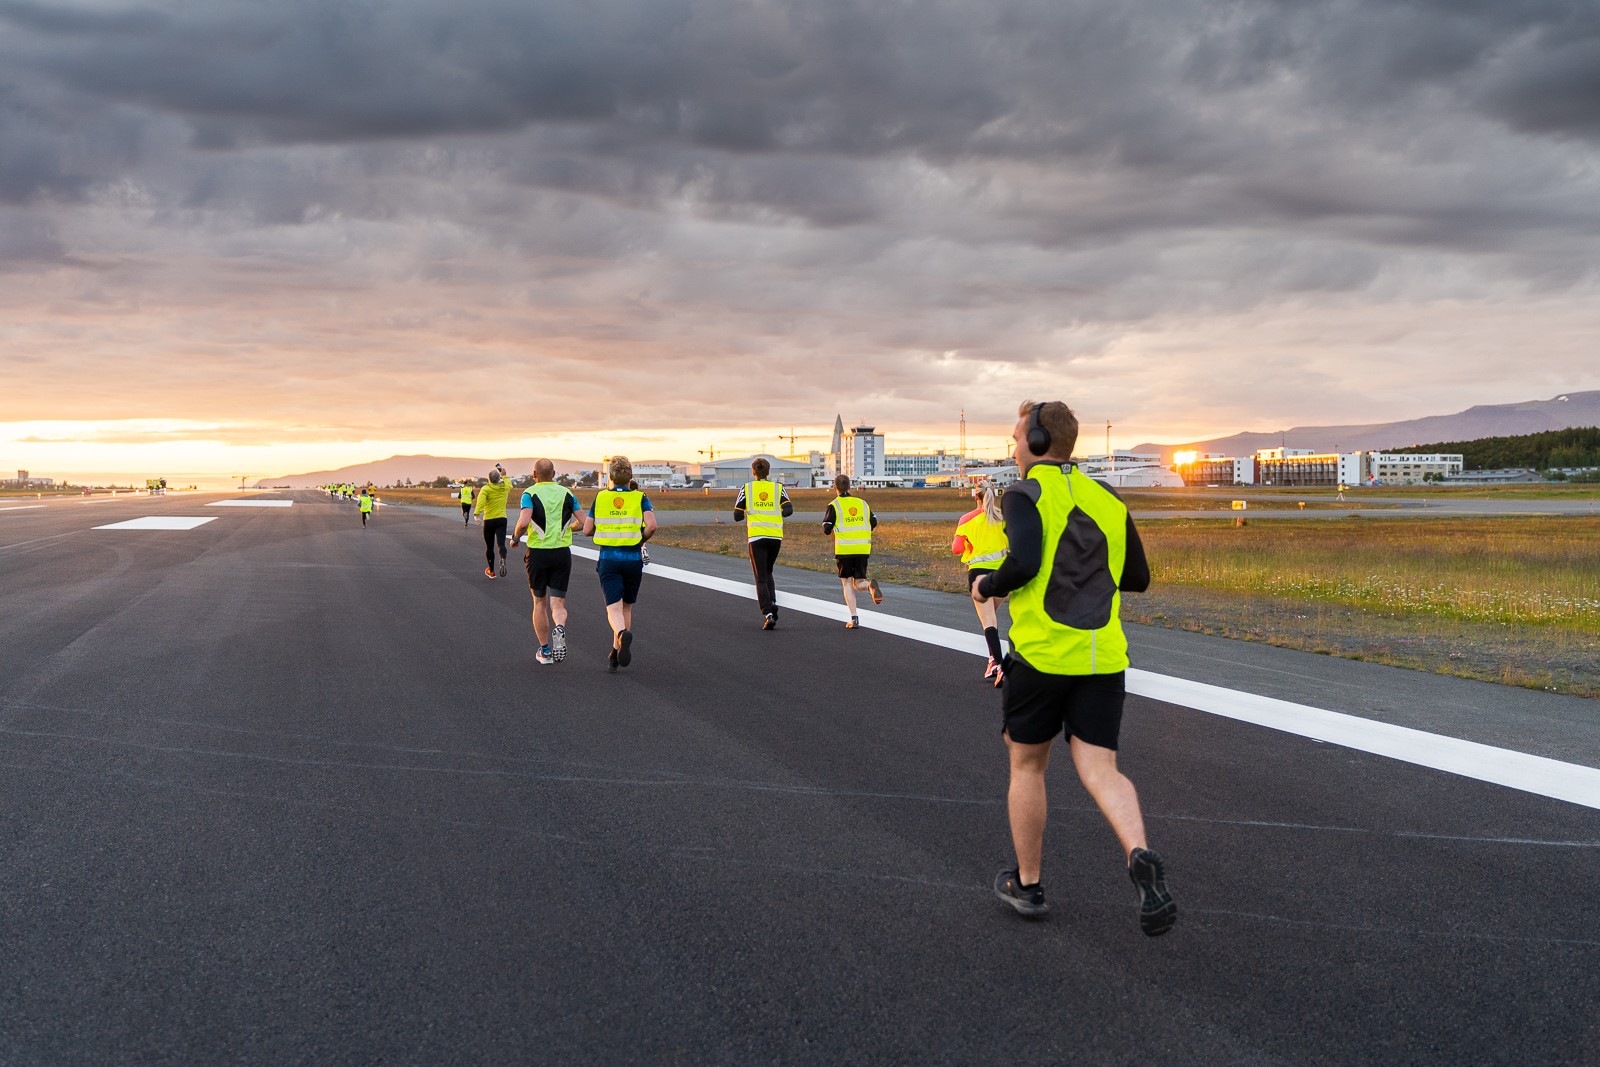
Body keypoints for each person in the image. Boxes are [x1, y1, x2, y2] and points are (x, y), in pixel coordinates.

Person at [975, 399, 1173, 936]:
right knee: (1102, 770)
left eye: (1017, 438)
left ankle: (1029, 884)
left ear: (1037, 443)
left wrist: (987, 584)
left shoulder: (1025, 494)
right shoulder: (1106, 496)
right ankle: (1138, 854)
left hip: (1042, 657)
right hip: (1102, 658)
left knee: (1027, 766)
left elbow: (1025, 563)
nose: (1014, 448)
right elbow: (1136, 578)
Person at [582, 456, 656, 672]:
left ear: (611, 477)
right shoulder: (640, 497)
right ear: (630, 476)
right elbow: (652, 526)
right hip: (633, 560)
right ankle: (614, 654)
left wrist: (605, 531)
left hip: (609, 559)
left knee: (613, 609)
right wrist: (639, 540)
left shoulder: (601, 497)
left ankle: (622, 635)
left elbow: (587, 529)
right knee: (626, 608)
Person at [515, 460, 585, 665]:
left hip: (538, 553)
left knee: (539, 602)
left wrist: (516, 537)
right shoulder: (567, 494)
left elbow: (524, 521)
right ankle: (560, 627)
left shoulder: (529, 493)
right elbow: (586, 522)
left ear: (534, 473)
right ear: (554, 473)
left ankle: (545, 650)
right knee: (558, 603)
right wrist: (567, 529)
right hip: (562, 553)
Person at [953, 482, 1009, 686]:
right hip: (1004, 574)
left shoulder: (967, 519)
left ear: (975, 497)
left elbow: (957, 549)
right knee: (991, 618)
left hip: (979, 575)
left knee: (988, 622)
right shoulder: (1003, 517)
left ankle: (1000, 665)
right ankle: (992, 660)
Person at [732, 458, 793, 630]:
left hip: (757, 537)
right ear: (768, 471)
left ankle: (768, 612)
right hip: (775, 536)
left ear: (754, 472)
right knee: (768, 571)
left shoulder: (747, 488)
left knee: (760, 578)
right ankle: (772, 602)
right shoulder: (778, 488)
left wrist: (749, 513)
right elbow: (788, 510)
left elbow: (736, 515)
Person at [823, 475, 882, 629]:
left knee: (847, 583)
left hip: (845, 549)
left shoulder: (834, 505)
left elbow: (826, 528)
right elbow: (873, 522)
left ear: (835, 487)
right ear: (849, 487)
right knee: (859, 582)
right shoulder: (862, 503)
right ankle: (869, 586)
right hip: (863, 548)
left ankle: (854, 618)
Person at [473, 468, 511, 578]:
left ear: (489, 479)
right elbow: (509, 484)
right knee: (501, 543)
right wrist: (504, 475)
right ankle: (503, 558)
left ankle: (491, 570)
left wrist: (476, 514)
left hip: (489, 520)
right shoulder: (505, 487)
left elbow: (480, 502)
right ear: (499, 478)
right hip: (502, 519)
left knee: (489, 547)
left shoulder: (486, 489)